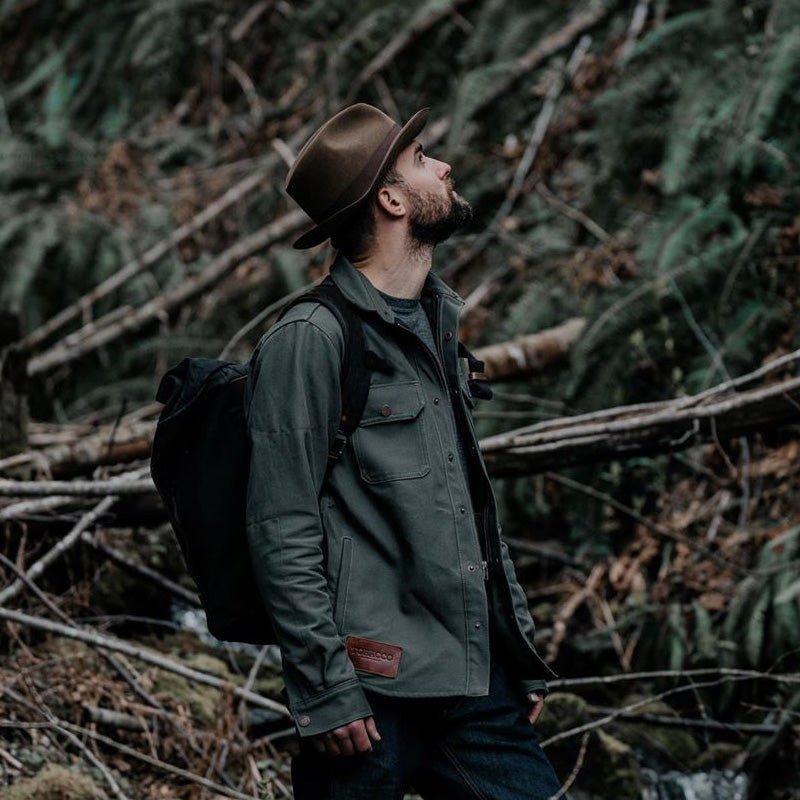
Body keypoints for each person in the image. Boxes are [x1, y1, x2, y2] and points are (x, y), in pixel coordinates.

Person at [244, 103, 568, 799]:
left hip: (474, 683)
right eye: (421, 160)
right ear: (391, 201)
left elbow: (470, 504)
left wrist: (517, 647)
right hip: (368, 695)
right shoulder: (309, 340)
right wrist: (326, 688)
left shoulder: (435, 325)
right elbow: (280, 525)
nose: (444, 167)